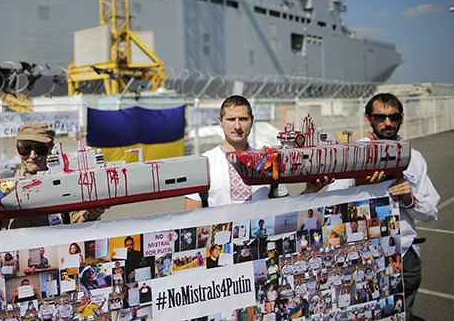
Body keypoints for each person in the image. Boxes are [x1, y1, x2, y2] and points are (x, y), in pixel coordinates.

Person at [325, 93, 439, 321]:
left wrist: (409, 199)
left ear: (401, 119)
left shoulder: (414, 157)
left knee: (402, 316)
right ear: (368, 119)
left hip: (405, 254)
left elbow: (432, 212)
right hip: (364, 256)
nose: (388, 122)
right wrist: (359, 185)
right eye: (380, 117)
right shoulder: (352, 155)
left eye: (393, 116)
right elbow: (331, 206)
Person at [0, 122, 106, 232]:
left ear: (51, 149)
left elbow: (77, 221)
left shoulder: (64, 182)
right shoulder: (1, 186)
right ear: (17, 149)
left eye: (40, 149)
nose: (32, 155)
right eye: (25, 149)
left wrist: (91, 214)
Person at [185, 96, 329, 210]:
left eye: (243, 119)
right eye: (231, 119)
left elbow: (287, 209)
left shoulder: (269, 161)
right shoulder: (203, 164)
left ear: (252, 121)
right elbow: (191, 222)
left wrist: (310, 191)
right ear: (220, 122)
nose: (237, 126)